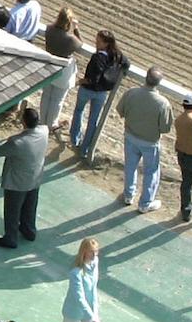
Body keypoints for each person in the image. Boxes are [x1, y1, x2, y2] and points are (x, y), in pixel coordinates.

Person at [115, 68, 172, 213]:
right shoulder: (163, 103)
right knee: (151, 172)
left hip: (130, 137)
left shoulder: (131, 93)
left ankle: (128, 195)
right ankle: (145, 203)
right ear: (159, 83)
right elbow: (165, 128)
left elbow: (120, 110)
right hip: (150, 143)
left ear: (146, 77)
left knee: (130, 166)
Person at [0, 106, 47, 249]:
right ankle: (29, 231)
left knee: (12, 211)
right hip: (35, 178)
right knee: (30, 206)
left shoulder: (17, 142)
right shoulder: (44, 132)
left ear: (23, 121)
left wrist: (4, 139)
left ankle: (10, 238)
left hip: (17, 182)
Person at [71, 31, 129, 164]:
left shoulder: (97, 58)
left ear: (106, 43)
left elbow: (92, 79)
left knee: (79, 111)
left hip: (87, 90)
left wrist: (79, 81)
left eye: (98, 41)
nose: (96, 43)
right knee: (93, 121)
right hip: (102, 93)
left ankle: (75, 140)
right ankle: (85, 149)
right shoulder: (117, 56)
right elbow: (127, 64)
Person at [60, 238, 102, 322]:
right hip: (74, 311)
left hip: (90, 310)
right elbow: (79, 298)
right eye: (91, 252)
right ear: (84, 252)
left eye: (96, 251)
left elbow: (93, 288)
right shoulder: (76, 273)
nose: (94, 255)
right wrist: (92, 318)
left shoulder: (95, 262)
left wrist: (95, 313)